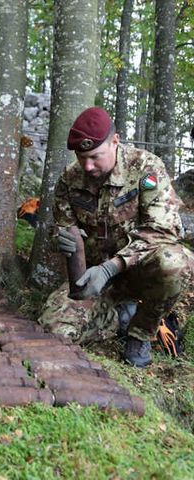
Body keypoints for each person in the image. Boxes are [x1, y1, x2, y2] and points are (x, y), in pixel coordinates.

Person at [38, 106, 194, 367]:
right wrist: (61, 238)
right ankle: (119, 316)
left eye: (95, 156)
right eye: (81, 157)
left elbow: (164, 230)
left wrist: (112, 267)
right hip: (94, 282)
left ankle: (141, 332)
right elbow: (64, 226)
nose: (87, 165)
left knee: (176, 263)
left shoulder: (145, 168)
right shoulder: (69, 179)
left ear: (115, 141)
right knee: (54, 328)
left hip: (141, 274)